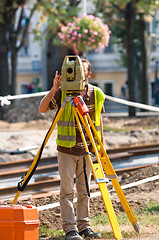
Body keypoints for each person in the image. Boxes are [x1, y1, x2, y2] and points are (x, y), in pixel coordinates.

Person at [39, 58, 105, 240]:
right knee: (67, 191)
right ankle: (70, 229)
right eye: (72, 71)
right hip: (66, 151)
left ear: (88, 75)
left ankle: (84, 227)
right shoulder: (62, 93)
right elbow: (42, 109)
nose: (75, 75)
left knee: (85, 190)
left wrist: (100, 146)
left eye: (80, 72)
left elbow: (98, 121)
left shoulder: (96, 94)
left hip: (87, 150)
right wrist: (54, 89)